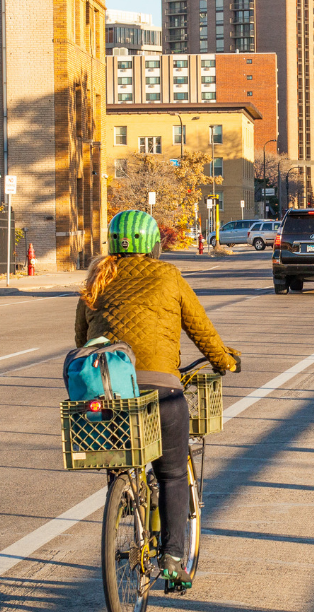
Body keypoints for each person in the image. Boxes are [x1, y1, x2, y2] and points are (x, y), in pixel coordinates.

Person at [75, 210, 240, 585]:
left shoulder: (98, 279)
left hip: (110, 391)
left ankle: (124, 495)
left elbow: (81, 338)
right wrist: (223, 360)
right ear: (153, 246)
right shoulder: (168, 275)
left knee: (121, 457)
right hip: (161, 388)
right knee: (172, 473)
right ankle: (172, 557)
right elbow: (200, 327)